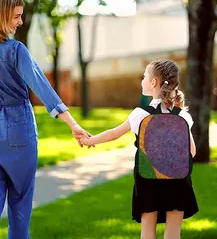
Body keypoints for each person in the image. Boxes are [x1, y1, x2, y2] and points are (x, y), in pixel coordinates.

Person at [0, 0, 90, 239]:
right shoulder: (15, 50)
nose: (20, 22)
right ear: (0, 16)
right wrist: (72, 123)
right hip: (18, 130)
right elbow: (42, 87)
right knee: (19, 203)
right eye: (16, 16)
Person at [81, 59, 199, 239]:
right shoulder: (182, 115)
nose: (142, 81)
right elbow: (192, 151)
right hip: (177, 181)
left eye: (144, 77)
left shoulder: (141, 114)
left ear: (153, 83)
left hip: (148, 180)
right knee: (173, 233)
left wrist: (90, 141)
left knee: (147, 232)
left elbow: (114, 134)